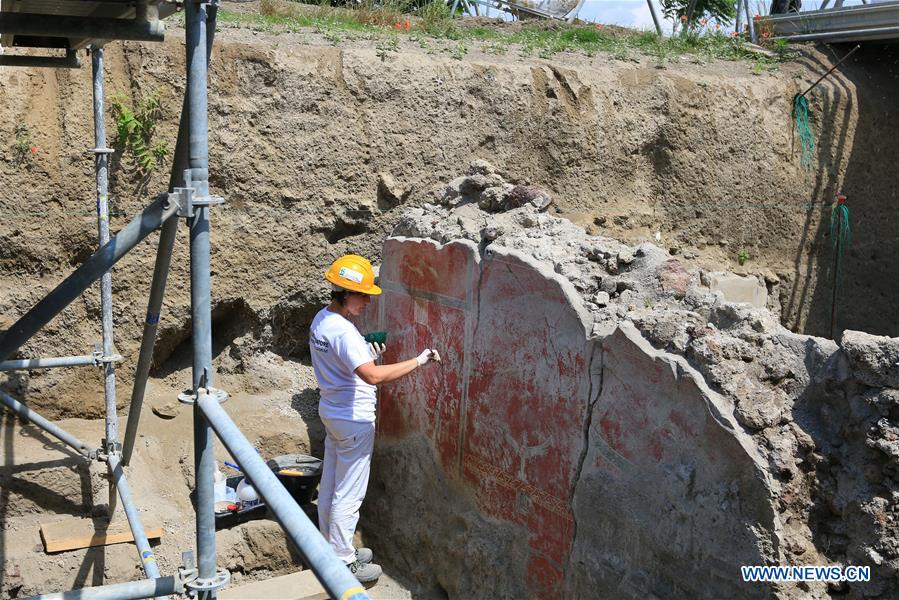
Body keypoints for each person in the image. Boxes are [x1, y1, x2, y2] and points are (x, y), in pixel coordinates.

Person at [310, 254, 441, 583]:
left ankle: (331, 546)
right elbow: (372, 377)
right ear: (344, 293)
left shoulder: (321, 320)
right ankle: (342, 560)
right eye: (363, 295)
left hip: (333, 412)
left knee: (330, 485)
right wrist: (418, 360)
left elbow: (346, 364)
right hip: (352, 419)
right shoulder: (344, 332)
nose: (368, 301)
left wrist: (366, 353)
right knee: (348, 492)